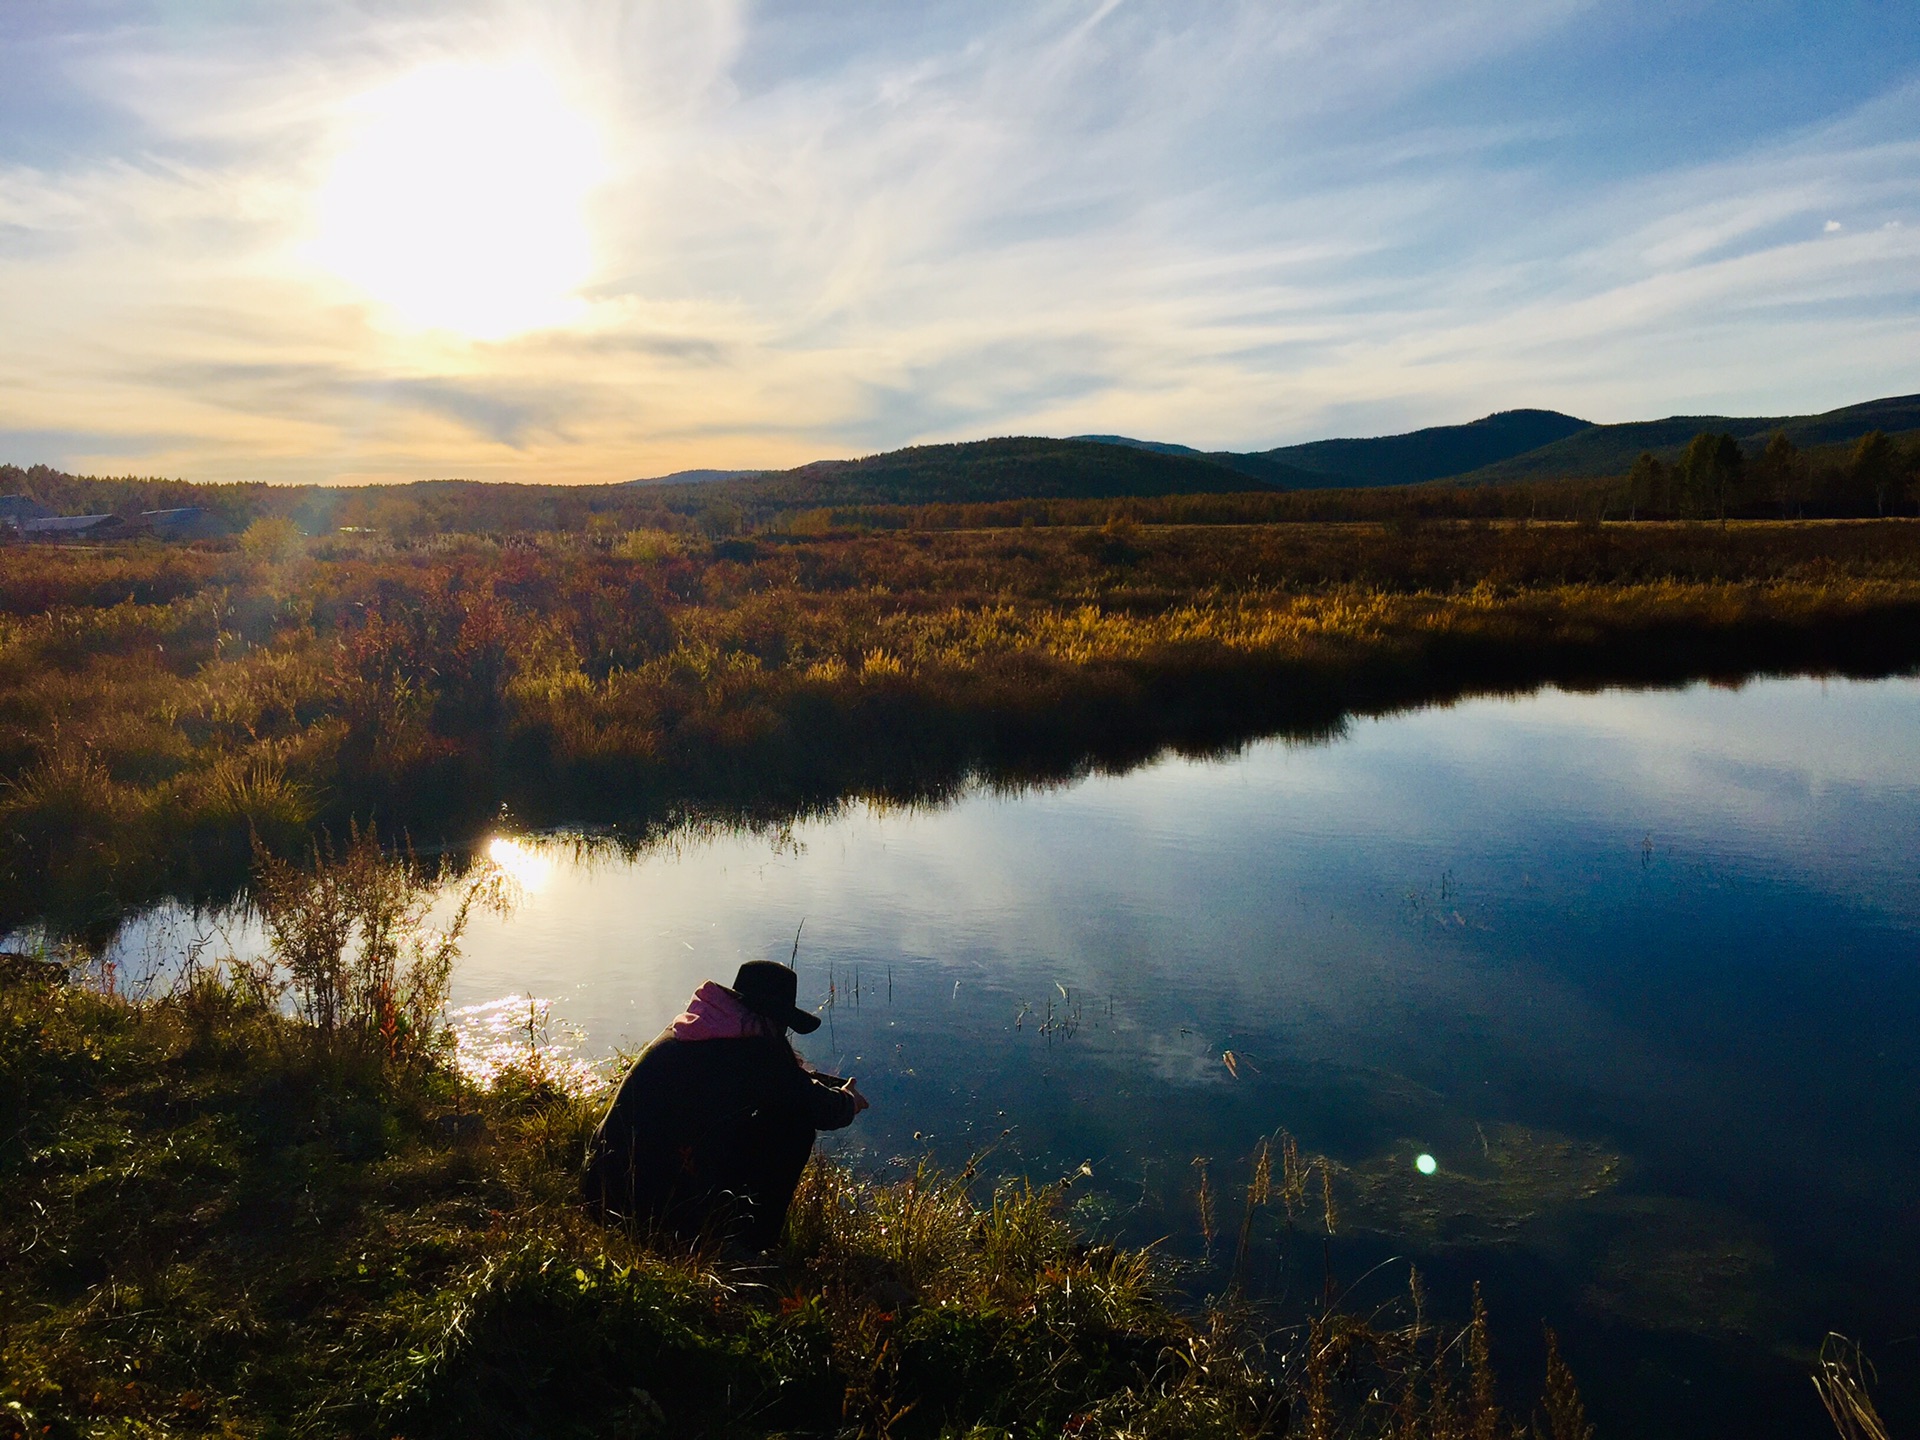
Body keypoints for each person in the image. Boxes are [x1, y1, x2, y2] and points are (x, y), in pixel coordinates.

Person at [582, 960, 868, 1250]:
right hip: (648, 1212)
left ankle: (716, 1228)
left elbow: (779, 1084)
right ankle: (749, 1246)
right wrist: (849, 1099)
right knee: (795, 1126)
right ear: (773, 1019)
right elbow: (819, 1108)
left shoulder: (698, 1027)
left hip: (602, 1185)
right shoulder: (754, 1055)